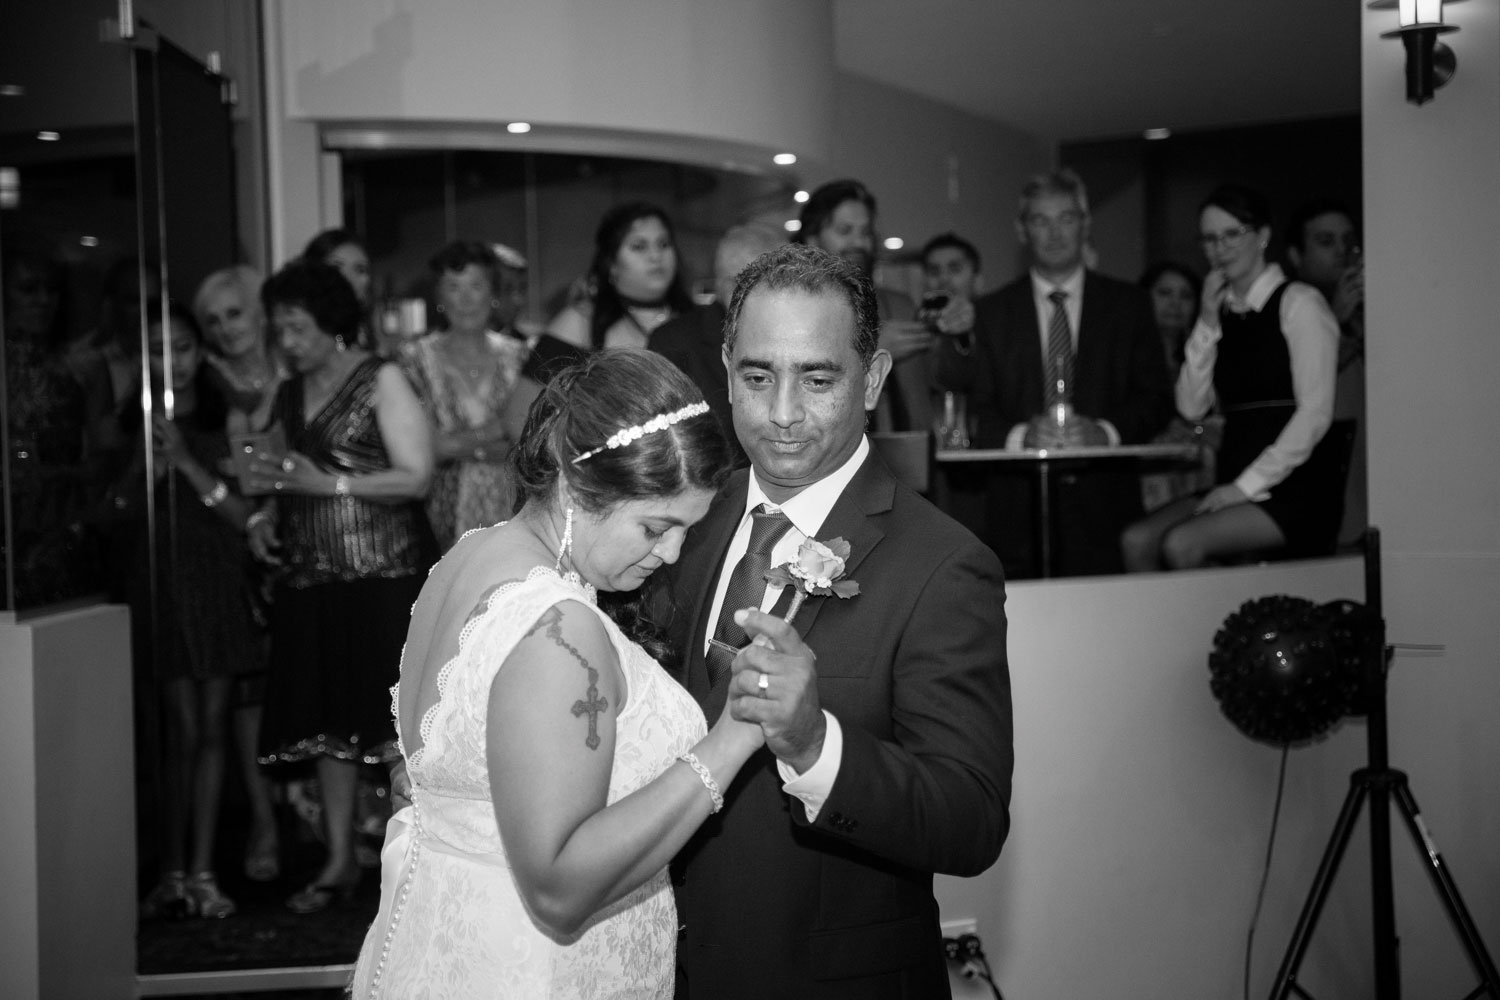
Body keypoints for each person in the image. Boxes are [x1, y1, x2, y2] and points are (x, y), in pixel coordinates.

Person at [652, 244, 1012, 998]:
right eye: (757, 377)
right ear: (725, 370)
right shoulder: (681, 526)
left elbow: (971, 820)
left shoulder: (943, 565)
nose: (782, 414)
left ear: (874, 378)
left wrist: (817, 747)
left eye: (818, 379)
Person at [349, 350, 763, 998]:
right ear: (575, 487)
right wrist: (734, 735)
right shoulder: (558, 629)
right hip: (535, 972)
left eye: (688, 528)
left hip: (453, 945)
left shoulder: (468, 557)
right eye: (655, 526)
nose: (673, 552)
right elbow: (558, 887)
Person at [244, 260, 436, 913]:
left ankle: (423, 866)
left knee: (394, 724)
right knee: (328, 728)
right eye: (279, 330)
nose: (287, 341)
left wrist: (331, 486)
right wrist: (266, 519)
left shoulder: (380, 378)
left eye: (296, 327)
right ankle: (336, 861)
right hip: (311, 580)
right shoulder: (288, 392)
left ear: (329, 322)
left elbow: (416, 476)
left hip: (384, 578)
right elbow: (278, 476)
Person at [934, 168, 1172, 577]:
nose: (1055, 233)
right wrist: (1022, 436)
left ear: (1086, 225)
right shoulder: (991, 313)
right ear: (1022, 230)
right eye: (1040, 221)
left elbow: (1156, 400)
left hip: (1108, 509)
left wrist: (1105, 432)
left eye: (1066, 218)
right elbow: (976, 411)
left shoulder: (1129, 305)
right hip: (1017, 515)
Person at [120, 302, 264, 920]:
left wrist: (183, 461)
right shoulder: (131, 417)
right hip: (157, 580)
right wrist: (147, 467)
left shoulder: (225, 413)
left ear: (198, 351)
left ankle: (203, 871)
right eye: (156, 348)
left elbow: (248, 516)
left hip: (214, 578)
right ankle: (170, 871)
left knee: (209, 727)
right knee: (170, 731)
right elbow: (115, 510)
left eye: (179, 346)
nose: (169, 359)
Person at [1120, 184, 1340, 571]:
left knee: (1181, 544)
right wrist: (1206, 320)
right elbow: (1191, 408)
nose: (1220, 248)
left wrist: (1245, 486)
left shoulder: (1300, 303)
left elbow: (1315, 413)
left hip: (1293, 486)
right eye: (1209, 238)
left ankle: (1204, 630)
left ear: (1263, 236)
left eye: (1232, 234)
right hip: (1233, 477)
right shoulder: (1219, 313)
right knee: (1136, 540)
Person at [400, 240, 528, 550]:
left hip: (515, 513)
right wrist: (496, 436)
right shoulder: (413, 359)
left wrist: (457, 445)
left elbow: (528, 439)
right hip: (439, 518)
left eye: (476, 285)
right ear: (439, 297)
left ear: (492, 292)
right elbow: (427, 447)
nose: (466, 299)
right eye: (454, 287)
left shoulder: (521, 356)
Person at [797, 179, 934, 433]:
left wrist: (958, 332)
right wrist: (870, 353)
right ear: (812, 239)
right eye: (845, 230)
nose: (859, 243)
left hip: (912, 461)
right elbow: (800, 390)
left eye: (866, 232)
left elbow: (945, 376)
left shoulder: (899, 305)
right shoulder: (796, 312)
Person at [649, 221, 785, 469]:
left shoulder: (794, 337)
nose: (778, 297)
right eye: (764, 284)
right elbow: (666, 445)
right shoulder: (674, 342)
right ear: (726, 286)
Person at [1286, 198, 1367, 545]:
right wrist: (1336, 321)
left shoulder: (1381, 305)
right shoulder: (1287, 310)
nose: (1341, 251)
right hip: (1321, 491)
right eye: (1325, 241)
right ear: (1295, 256)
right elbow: (1290, 390)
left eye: (1347, 240)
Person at [547, 201, 695, 351]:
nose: (656, 256)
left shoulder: (700, 322)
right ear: (611, 263)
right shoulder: (582, 321)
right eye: (639, 246)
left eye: (664, 244)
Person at [1137, 261, 1221, 511]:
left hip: (1199, 474)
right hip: (1141, 473)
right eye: (1164, 293)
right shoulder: (1124, 357)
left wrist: (1194, 431)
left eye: (1185, 296)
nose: (1175, 304)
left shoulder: (1206, 357)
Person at [194, 265, 286, 428]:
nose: (225, 329)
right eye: (213, 321)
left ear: (262, 313)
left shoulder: (293, 368)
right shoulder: (207, 385)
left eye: (234, 314)